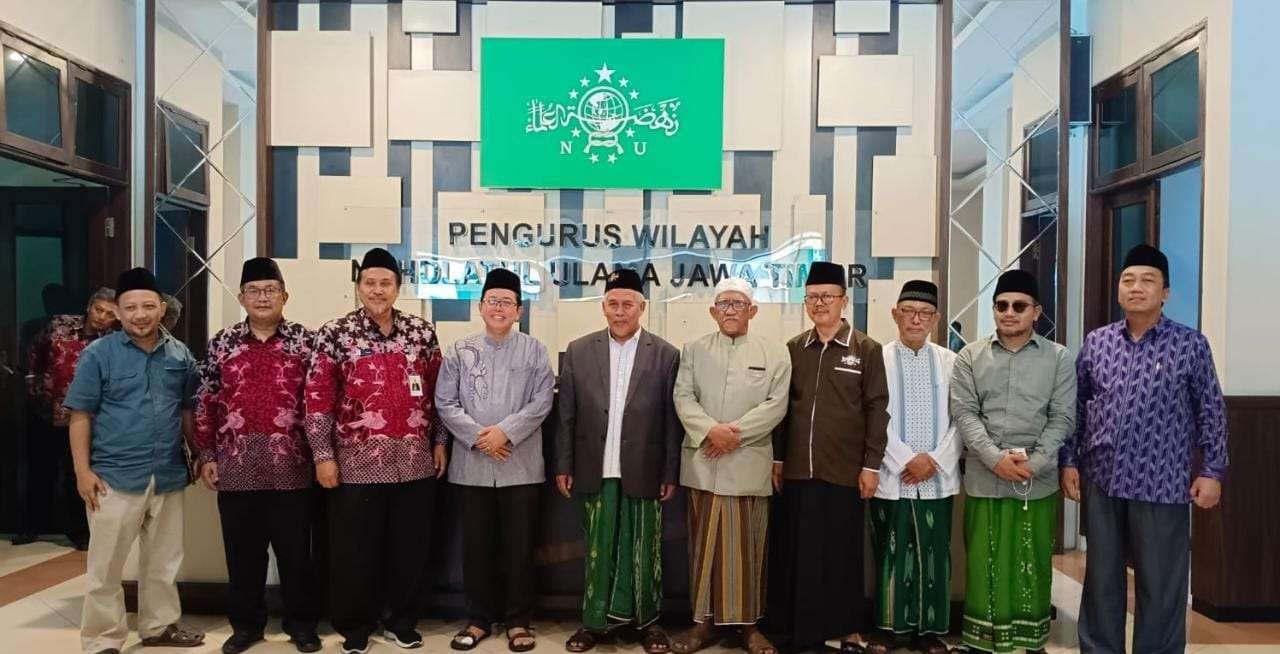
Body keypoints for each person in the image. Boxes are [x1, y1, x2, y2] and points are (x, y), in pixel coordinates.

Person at [1062, 244, 1228, 654]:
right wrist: (1069, 460)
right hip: (1102, 478)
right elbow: (1077, 407)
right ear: (1119, 290)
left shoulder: (1190, 345)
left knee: (1160, 582)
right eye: (1128, 280)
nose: (1137, 288)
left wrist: (1213, 471)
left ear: (1165, 293)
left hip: (1162, 482)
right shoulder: (1098, 343)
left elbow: (1212, 410)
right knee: (1101, 578)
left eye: (1148, 281)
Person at [305, 248, 447, 654]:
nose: (378, 290)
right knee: (355, 552)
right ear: (358, 286)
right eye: (370, 282)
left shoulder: (421, 332)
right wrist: (322, 455)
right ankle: (355, 626)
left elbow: (439, 395)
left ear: (398, 288)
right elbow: (317, 398)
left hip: (415, 463)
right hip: (356, 465)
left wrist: (439, 442)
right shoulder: (335, 333)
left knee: (411, 550)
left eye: (386, 283)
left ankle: (402, 622)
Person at [64, 268, 205, 654]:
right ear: (118, 312)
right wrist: (82, 472)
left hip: (169, 472)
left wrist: (199, 452)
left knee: (164, 561)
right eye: (130, 308)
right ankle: (102, 639)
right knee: (106, 567)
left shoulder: (180, 354)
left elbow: (188, 411)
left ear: (161, 308)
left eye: (147, 306)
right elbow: (80, 414)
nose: (139, 314)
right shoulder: (98, 354)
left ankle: (159, 627)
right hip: (112, 475)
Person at [193, 258, 321, 654]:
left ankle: (302, 625)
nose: (262, 297)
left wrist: (322, 455)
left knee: (297, 556)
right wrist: (205, 453)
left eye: (270, 291)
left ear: (285, 296)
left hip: (294, 468)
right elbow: (205, 400)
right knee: (242, 556)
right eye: (254, 291)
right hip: (236, 466)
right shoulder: (222, 343)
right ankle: (246, 626)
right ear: (241, 296)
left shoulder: (307, 341)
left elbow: (320, 402)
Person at [555, 268, 681, 654]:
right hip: (595, 466)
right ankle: (593, 624)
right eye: (613, 304)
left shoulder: (665, 354)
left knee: (645, 550)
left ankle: (649, 623)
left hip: (643, 468)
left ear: (642, 307)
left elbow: (671, 420)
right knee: (597, 548)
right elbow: (566, 416)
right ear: (602, 307)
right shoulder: (578, 350)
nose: (620, 311)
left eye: (628, 304)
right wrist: (564, 464)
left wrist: (669, 470)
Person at [950, 269, 1075, 654]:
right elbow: (965, 414)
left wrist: (1032, 464)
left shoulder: (1058, 358)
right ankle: (981, 642)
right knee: (983, 560)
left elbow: (1063, 417)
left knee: (1031, 560)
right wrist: (993, 459)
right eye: (1001, 305)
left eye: (1019, 306)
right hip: (985, 479)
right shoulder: (970, 356)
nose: (1009, 312)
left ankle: (1030, 638)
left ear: (1036, 312)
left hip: (1035, 483)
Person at [767, 261, 890, 654]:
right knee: (798, 554)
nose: (820, 304)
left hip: (845, 471)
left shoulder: (865, 349)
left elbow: (877, 409)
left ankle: (846, 629)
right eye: (812, 298)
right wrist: (778, 460)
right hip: (799, 471)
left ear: (843, 300)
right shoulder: (793, 349)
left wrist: (871, 465)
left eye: (827, 297)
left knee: (841, 555)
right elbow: (782, 409)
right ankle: (801, 632)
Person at [435, 268, 555, 653]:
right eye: (492, 301)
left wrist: (505, 432)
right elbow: (445, 402)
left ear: (519, 311)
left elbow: (542, 401)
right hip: (471, 468)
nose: (499, 308)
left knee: (519, 549)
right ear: (480, 307)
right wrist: (479, 438)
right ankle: (478, 619)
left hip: (520, 466)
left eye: (507, 302)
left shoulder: (535, 350)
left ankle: (519, 622)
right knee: (477, 549)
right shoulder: (458, 351)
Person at [669, 278, 791, 654]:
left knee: (749, 549)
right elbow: (683, 396)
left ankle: (750, 626)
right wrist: (710, 431)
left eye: (739, 304)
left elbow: (776, 405)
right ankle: (701, 624)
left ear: (752, 311)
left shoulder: (775, 353)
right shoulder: (693, 349)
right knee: (703, 548)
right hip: (704, 464)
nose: (731, 310)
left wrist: (732, 434)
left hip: (747, 465)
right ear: (712, 311)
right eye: (723, 304)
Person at [865, 281, 960, 654]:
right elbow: (874, 417)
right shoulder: (878, 358)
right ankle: (891, 629)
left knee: (936, 553)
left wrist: (934, 460)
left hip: (937, 477)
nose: (915, 320)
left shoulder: (952, 361)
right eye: (908, 312)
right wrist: (906, 459)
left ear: (935, 319)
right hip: (893, 474)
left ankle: (931, 632)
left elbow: (963, 418)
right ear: (895, 314)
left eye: (924, 314)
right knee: (891, 550)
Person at [21, 287, 118, 550]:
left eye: (110, 313)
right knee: (40, 471)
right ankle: (31, 527)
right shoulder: (58, 325)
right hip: (46, 411)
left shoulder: (114, 342)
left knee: (78, 474)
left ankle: (79, 532)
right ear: (89, 307)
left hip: (86, 420)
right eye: (99, 309)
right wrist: (35, 389)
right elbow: (34, 356)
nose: (102, 317)